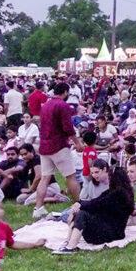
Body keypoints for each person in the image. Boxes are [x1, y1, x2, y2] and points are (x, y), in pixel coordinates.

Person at [52, 167, 135, 255]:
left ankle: (70, 247)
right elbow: (95, 201)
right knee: (80, 211)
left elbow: (96, 204)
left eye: (110, 176)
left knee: (82, 213)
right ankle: (67, 242)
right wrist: (78, 204)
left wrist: (79, 205)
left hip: (112, 232)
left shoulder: (119, 194)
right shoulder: (117, 192)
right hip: (110, 229)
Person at [34, 83, 82, 219]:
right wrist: (77, 142)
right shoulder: (62, 105)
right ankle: (79, 204)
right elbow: (68, 127)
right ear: (65, 92)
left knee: (44, 178)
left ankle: (38, 207)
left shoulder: (45, 105)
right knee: (70, 176)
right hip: (59, 145)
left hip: (44, 145)